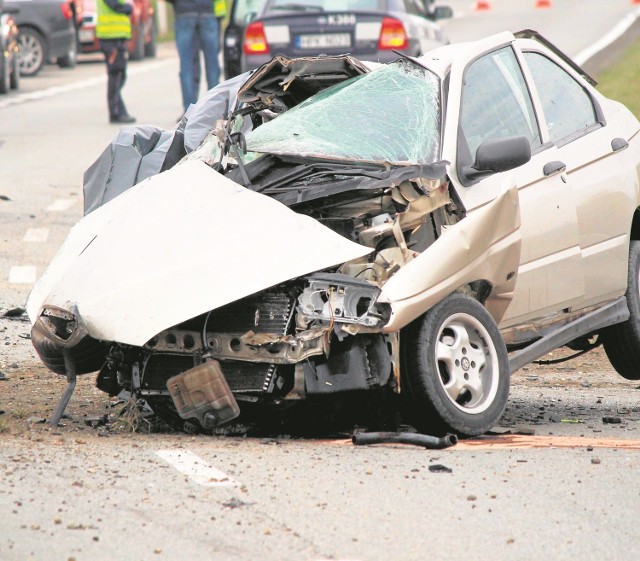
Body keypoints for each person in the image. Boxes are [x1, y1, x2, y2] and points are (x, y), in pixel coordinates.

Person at [170, 0, 226, 114]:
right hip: (207, 13)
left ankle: (189, 112)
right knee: (212, 65)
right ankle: (215, 110)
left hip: (184, 14)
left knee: (187, 67)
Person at [96, 0, 136, 124]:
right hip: (110, 38)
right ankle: (116, 112)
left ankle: (118, 110)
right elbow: (115, 5)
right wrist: (129, 7)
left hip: (117, 37)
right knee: (115, 75)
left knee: (120, 74)